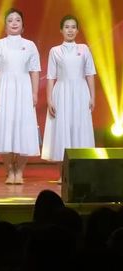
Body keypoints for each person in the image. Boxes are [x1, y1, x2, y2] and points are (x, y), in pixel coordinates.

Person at [0, 8, 41, 185]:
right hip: (4, 89)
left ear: (23, 25)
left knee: (24, 129)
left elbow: (34, 70)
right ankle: (9, 170)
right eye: (10, 20)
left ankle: (20, 170)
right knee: (5, 129)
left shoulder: (30, 45)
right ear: (5, 26)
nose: (14, 23)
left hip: (24, 89)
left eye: (17, 20)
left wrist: (34, 93)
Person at [41, 15, 96, 181]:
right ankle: (63, 175)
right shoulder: (55, 51)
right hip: (62, 93)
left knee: (79, 129)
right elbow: (51, 77)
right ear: (61, 30)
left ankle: (80, 174)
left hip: (80, 93)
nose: (70, 30)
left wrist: (93, 96)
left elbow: (90, 74)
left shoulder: (84, 49)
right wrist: (49, 100)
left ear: (77, 30)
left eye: (73, 27)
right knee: (62, 130)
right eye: (67, 27)